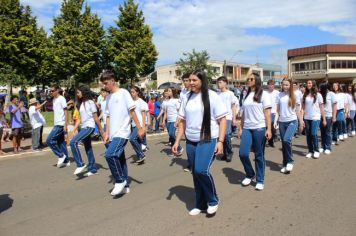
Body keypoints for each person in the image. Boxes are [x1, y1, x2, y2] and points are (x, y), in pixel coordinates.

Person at [172, 69, 227, 216]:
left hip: (208, 139)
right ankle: (200, 203)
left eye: (194, 80)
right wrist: (177, 141)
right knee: (195, 174)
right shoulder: (187, 97)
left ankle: (213, 200)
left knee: (201, 170)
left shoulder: (212, 96)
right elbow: (182, 121)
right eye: (189, 80)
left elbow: (222, 120)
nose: (191, 83)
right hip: (191, 140)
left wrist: (221, 141)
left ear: (202, 81)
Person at [100, 71, 144, 196]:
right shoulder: (108, 98)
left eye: (106, 83)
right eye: (103, 84)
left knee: (110, 155)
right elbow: (107, 117)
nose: (104, 86)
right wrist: (107, 133)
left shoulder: (123, 92)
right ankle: (125, 185)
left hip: (123, 131)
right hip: (113, 134)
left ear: (113, 80)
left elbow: (132, 112)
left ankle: (119, 181)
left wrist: (140, 128)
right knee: (120, 159)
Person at [238, 73, 271, 190]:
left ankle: (260, 179)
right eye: (248, 79)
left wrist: (269, 129)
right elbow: (243, 114)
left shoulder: (264, 94)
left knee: (258, 155)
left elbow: (267, 114)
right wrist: (241, 128)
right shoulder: (246, 94)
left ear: (257, 80)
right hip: (247, 127)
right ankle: (250, 174)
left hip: (259, 128)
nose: (249, 80)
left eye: (251, 79)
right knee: (242, 153)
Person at [70, 85, 104, 177]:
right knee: (88, 148)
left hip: (89, 127)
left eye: (78, 92)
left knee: (73, 142)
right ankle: (93, 169)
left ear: (83, 92)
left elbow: (96, 118)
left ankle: (80, 164)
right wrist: (75, 128)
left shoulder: (90, 103)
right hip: (84, 127)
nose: (77, 94)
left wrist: (101, 131)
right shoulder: (82, 104)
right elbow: (80, 119)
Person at [274, 78, 302, 173]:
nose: (285, 86)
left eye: (287, 85)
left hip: (292, 121)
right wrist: (275, 121)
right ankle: (285, 163)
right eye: (283, 84)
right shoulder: (279, 95)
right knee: (284, 143)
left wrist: (301, 122)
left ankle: (290, 161)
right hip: (282, 122)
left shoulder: (295, 95)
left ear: (290, 86)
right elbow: (277, 110)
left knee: (286, 140)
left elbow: (298, 110)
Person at [46, 85, 70, 168]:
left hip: (61, 124)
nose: (51, 92)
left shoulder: (61, 99)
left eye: (52, 91)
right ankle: (66, 161)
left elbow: (66, 111)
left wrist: (65, 124)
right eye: (50, 91)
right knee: (61, 143)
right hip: (56, 123)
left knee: (49, 140)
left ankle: (60, 155)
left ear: (57, 90)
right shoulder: (54, 99)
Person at [300, 80, 326, 159]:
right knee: (308, 135)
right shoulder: (305, 95)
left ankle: (316, 150)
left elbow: (322, 108)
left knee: (313, 134)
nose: (308, 84)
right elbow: (303, 108)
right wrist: (301, 119)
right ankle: (310, 151)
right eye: (307, 83)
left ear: (313, 84)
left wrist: (324, 119)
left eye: (310, 83)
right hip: (307, 118)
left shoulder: (318, 95)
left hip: (316, 117)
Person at [217, 76, 237, 162]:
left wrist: (234, 119)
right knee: (222, 137)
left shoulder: (230, 94)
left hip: (227, 117)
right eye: (218, 82)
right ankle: (225, 153)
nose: (218, 84)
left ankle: (229, 152)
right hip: (219, 118)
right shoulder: (217, 94)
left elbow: (233, 106)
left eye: (220, 82)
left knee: (227, 135)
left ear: (225, 83)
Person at [129, 86, 148, 164]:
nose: (131, 93)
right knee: (135, 140)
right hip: (133, 124)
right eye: (131, 92)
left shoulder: (141, 102)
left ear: (137, 92)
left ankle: (141, 154)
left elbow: (144, 115)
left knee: (132, 139)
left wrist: (143, 127)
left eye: (133, 92)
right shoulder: (131, 102)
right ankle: (141, 156)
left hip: (139, 125)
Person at [162, 88, 183, 156]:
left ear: (173, 92)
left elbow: (179, 111)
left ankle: (179, 147)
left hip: (174, 119)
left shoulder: (176, 100)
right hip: (168, 120)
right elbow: (166, 112)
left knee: (172, 134)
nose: (167, 92)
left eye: (169, 91)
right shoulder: (167, 101)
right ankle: (173, 150)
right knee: (171, 137)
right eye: (167, 91)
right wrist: (163, 121)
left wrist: (177, 120)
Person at [319, 82, 337, 155]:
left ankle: (328, 147)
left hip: (329, 116)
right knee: (322, 132)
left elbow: (334, 106)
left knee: (328, 132)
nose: (319, 89)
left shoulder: (331, 94)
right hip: (320, 115)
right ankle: (323, 146)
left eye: (321, 87)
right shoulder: (320, 94)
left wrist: (334, 116)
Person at [267, 80, 280, 147]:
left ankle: (275, 137)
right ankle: (270, 142)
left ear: (274, 85)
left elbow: (279, 103)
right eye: (269, 84)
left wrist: (279, 112)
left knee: (273, 127)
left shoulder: (277, 93)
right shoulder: (265, 93)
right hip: (267, 112)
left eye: (272, 84)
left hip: (274, 112)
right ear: (268, 85)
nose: (271, 86)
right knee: (269, 127)